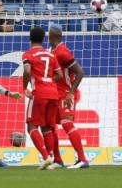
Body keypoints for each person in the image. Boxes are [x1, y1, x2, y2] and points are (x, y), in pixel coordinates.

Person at [47, 24, 89, 169]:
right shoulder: (52, 51)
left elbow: (80, 72)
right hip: (54, 95)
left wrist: (71, 92)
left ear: (52, 36)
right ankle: (58, 160)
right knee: (51, 126)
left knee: (66, 123)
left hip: (65, 95)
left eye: (49, 34)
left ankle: (83, 159)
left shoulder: (62, 52)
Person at [22, 27, 63, 170]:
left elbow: (27, 71)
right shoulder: (51, 55)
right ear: (43, 39)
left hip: (39, 93)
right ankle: (51, 156)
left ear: (30, 38)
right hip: (53, 93)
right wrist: (48, 80)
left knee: (31, 126)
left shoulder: (28, 54)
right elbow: (60, 75)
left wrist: (24, 87)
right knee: (47, 127)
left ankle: (45, 156)